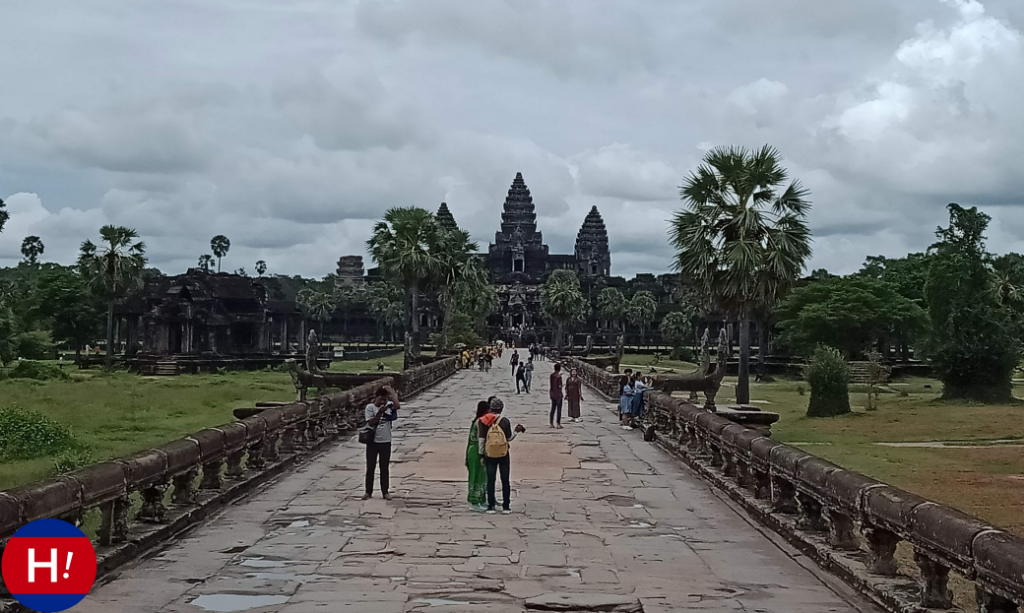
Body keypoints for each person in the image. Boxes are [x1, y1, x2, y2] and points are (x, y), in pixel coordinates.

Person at [477, 397, 525, 514]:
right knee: (505, 479)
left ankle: (491, 506)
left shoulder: (483, 421)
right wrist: (516, 431)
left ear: (490, 408)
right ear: (501, 409)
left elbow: (482, 440)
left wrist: (481, 455)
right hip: (503, 453)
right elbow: (509, 438)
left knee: (491, 480)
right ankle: (506, 506)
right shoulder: (504, 421)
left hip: (490, 454)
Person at [363, 385, 400, 500]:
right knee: (371, 467)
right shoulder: (370, 408)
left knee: (384, 468)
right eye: (381, 399)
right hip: (373, 442)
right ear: (376, 397)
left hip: (385, 441)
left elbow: (397, 406)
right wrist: (380, 412)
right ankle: (368, 491)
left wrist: (392, 393)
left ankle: (385, 491)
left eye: (385, 399)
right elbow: (371, 422)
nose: (383, 401)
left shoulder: (388, 406)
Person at [465, 400, 490, 511]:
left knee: (481, 476)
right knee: (477, 476)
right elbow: (481, 439)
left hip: (472, 450)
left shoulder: (475, 421)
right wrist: (482, 454)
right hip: (476, 451)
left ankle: (480, 499)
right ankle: (474, 502)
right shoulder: (480, 422)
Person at [549, 363, 564, 428]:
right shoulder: (559, 377)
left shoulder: (552, 375)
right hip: (558, 394)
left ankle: (551, 423)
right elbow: (559, 386)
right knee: (559, 409)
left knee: (552, 409)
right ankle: (558, 423)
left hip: (552, 393)